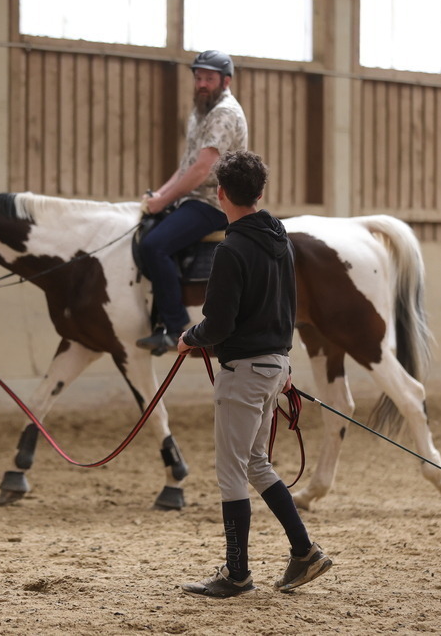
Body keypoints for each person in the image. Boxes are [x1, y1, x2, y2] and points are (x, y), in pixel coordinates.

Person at [176, 150, 332, 598]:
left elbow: (219, 324)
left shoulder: (230, 250)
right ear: (260, 193)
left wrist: (190, 337)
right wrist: (283, 363)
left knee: (232, 472)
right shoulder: (280, 238)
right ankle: (303, 552)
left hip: (243, 371)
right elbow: (289, 307)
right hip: (273, 366)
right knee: (257, 463)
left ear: (221, 193)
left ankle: (238, 574)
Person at [136, 49, 248, 356]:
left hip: (215, 202)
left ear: (225, 81)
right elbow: (186, 165)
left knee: (153, 245)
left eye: (208, 78)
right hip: (192, 198)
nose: (201, 83)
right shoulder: (201, 110)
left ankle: (176, 328)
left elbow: (201, 170)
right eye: (198, 77)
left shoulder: (224, 113)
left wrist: (163, 202)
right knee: (146, 231)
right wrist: (158, 196)